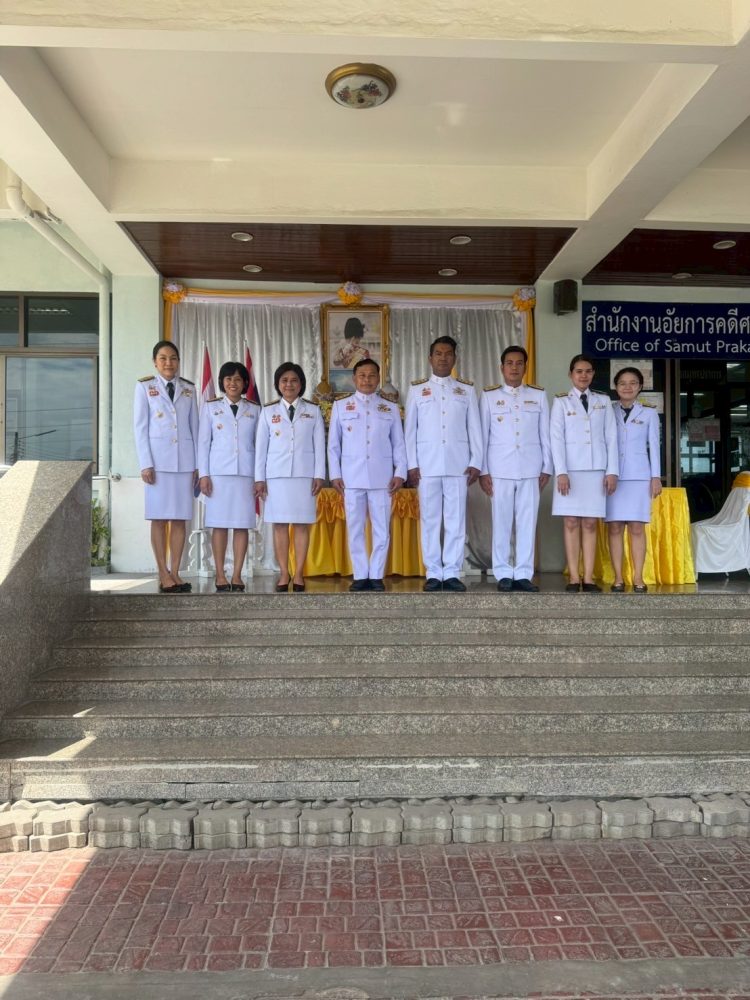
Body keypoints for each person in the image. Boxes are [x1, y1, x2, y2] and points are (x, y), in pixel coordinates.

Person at [405, 335, 482, 592]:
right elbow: (410, 431)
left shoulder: (466, 390)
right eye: (438, 353)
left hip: (458, 465)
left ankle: (451, 572)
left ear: (455, 358)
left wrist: (476, 461)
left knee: (455, 521)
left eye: (448, 353)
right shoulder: (417, 390)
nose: (443, 358)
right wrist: (412, 464)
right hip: (426, 466)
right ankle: (433, 572)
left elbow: (475, 429)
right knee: (430, 520)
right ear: (430, 358)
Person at [328, 358, 407, 591]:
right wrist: (335, 474)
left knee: (381, 529)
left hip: (383, 478)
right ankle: (361, 575)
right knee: (355, 529)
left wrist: (400, 473)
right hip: (351, 478)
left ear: (378, 378)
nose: (367, 380)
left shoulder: (390, 408)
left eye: (372, 375)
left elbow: (399, 444)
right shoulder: (341, 406)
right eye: (362, 375)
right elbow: (333, 446)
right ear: (354, 379)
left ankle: (376, 575)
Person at [479, 345, 552, 592]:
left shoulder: (538, 395)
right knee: (501, 523)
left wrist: (547, 467)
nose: (514, 367)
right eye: (509, 363)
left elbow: (545, 434)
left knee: (527, 523)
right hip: (499, 469)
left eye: (519, 363)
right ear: (501, 367)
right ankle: (502, 573)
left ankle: (523, 573)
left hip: (531, 468)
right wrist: (483, 471)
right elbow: (482, 436)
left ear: (525, 367)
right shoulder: (489, 396)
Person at [133, 339, 198, 593]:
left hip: (184, 463)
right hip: (157, 464)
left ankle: (175, 571)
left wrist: (198, 466)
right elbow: (140, 428)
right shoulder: (144, 387)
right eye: (163, 358)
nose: (168, 363)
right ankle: (162, 572)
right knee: (159, 519)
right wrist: (145, 463)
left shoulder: (189, 389)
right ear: (155, 362)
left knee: (180, 519)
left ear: (178, 361)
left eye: (173, 358)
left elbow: (195, 428)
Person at [550, 354, 618, 593]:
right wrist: (561, 472)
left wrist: (612, 470)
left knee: (590, 523)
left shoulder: (603, 400)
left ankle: (588, 578)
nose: (583, 375)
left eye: (588, 371)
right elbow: (556, 439)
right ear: (571, 374)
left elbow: (611, 437)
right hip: (570, 471)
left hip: (596, 470)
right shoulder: (561, 401)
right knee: (570, 522)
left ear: (593, 374)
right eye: (579, 371)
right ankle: (573, 576)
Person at [254, 362, 325, 592]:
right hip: (277, 477)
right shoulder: (268, 411)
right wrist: (259, 478)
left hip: (304, 477)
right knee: (280, 525)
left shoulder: (313, 410)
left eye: (294, 380)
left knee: (302, 525)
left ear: (301, 384)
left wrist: (319, 475)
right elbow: (261, 449)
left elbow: (319, 446)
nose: (289, 385)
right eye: (284, 380)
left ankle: (300, 573)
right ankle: (284, 573)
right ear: (278, 384)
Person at [198, 361, 260, 593]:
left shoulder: (254, 409)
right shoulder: (210, 407)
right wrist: (204, 474)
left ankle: (237, 574)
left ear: (245, 383)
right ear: (222, 382)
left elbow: (260, 445)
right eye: (228, 379)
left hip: (245, 474)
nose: (233, 383)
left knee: (242, 525)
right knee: (220, 525)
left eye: (237, 379)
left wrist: (259, 477)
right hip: (218, 475)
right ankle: (220, 574)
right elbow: (203, 443)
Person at [606, 366, 662, 593]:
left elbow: (654, 446)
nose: (627, 387)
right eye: (622, 383)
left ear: (640, 387)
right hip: (613, 477)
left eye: (632, 383)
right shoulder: (608, 410)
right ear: (615, 387)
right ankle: (618, 577)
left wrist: (655, 476)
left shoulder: (649, 413)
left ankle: (638, 577)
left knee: (637, 528)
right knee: (614, 527)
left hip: (639, 477)